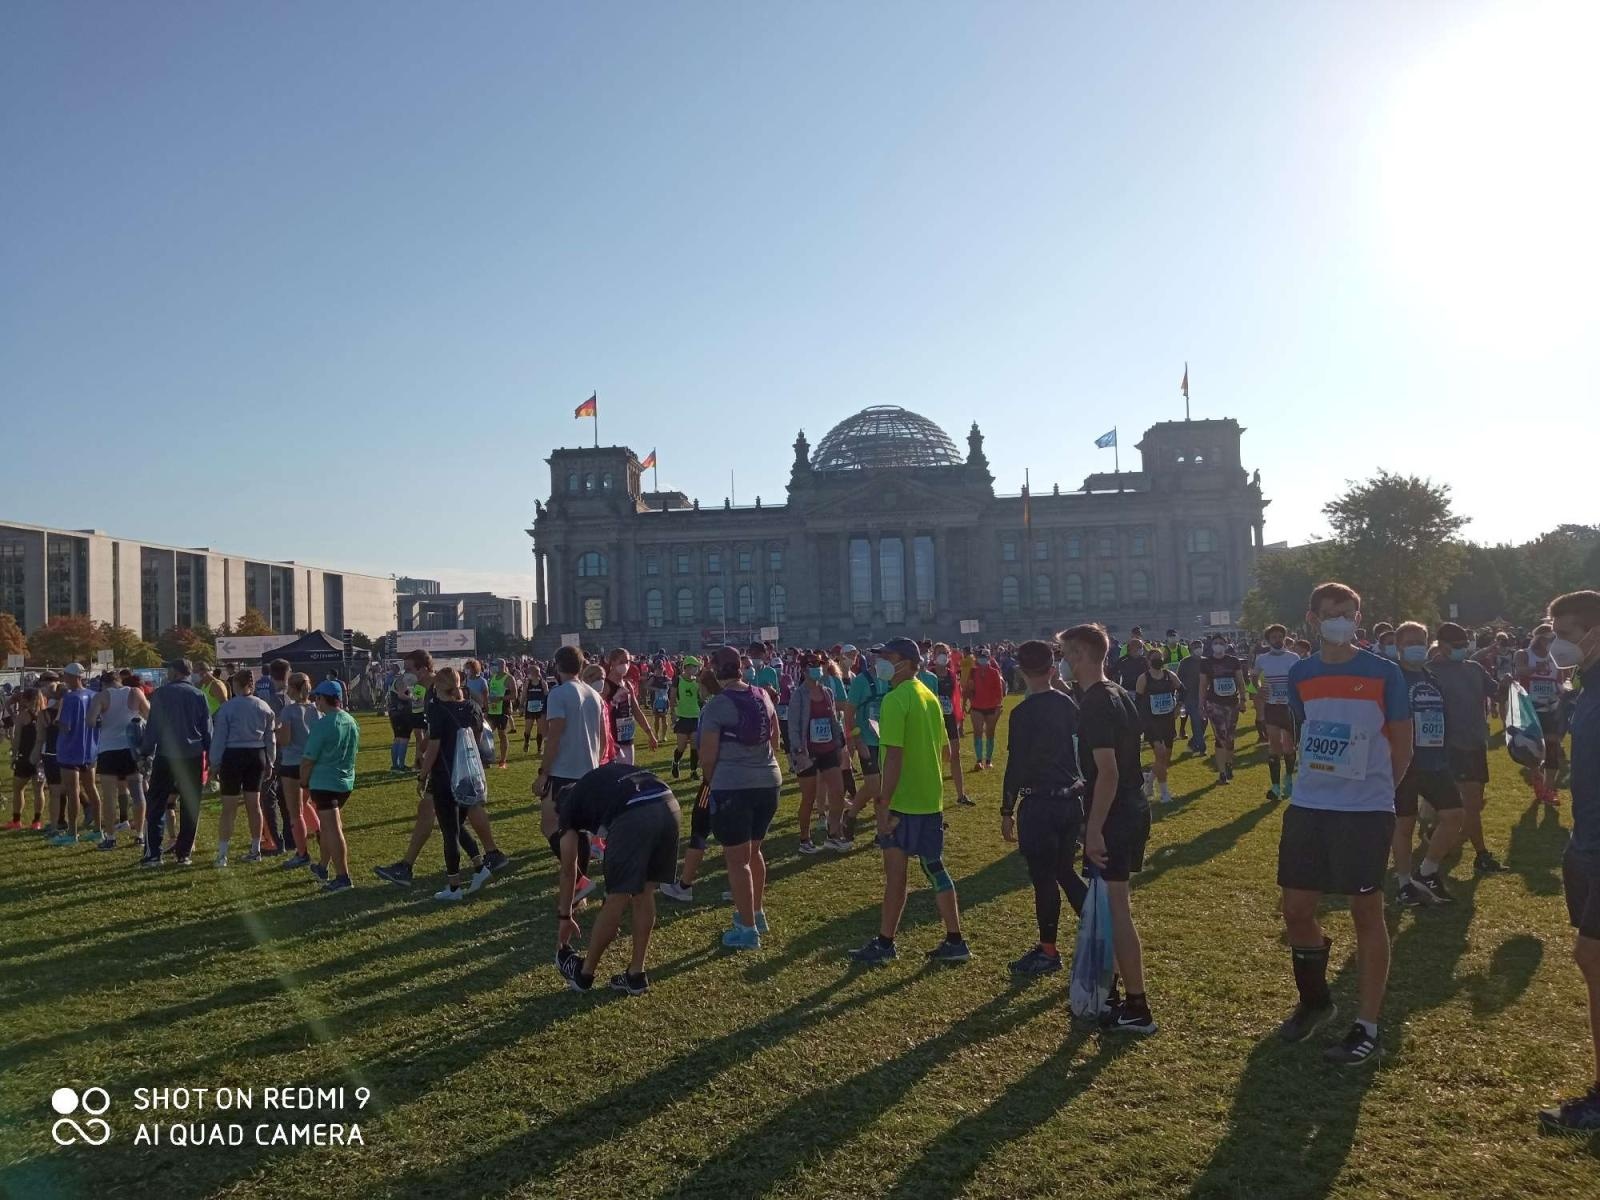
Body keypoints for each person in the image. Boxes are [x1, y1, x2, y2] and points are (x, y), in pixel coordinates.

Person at [1278, 582, 1410, 1066]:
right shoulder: (1300, 673)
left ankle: (1367, 1026)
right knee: (1295, 909)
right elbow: (1307, 728)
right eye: (1329, 612)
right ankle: (1316, 1002)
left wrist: (1379, 794)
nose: (1339, 619)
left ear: (1359, 616)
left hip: (1365, 811)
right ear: (1311, 619)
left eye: (1347, 612)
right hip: (1310, 805)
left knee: (1365, 914)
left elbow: (1402, 744)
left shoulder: (1384, 674)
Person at [848, 637, 970, 966]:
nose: (880, 664)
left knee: (896, 876)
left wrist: (884, 802)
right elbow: (945, 751)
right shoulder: (928, 696)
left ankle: (885, 943)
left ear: (905, 661)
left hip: (902, 802)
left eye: (887, 657)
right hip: (929, 799)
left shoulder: (895, 700)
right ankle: (955, 939)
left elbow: (894, 757)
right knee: (935, 868)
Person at [1059, 624, 1156, 1033]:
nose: (1062, 660)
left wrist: (1093, 829)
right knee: (1115, 906)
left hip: (1116, 815)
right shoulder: (1117, 692)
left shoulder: (1098, 701)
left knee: (1117, 911)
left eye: (1064, 653)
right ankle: (1114, 993)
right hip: (1131, 808)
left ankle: (1138, 1007)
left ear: (1081, 655)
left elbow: (1110, 773)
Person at [1538, 590, 1600, 1132]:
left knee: (1593, 955)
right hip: (1586, 838)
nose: (1560, 641)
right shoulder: (1585, 687)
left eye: (1572, 629)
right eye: (1554, 629)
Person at [554, 763, 681, 995]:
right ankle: (636, 974)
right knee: (644, 892)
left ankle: (584, 974)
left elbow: (568, 869)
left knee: (617, 898)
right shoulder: (598, 782)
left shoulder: (568, 808)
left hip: (634, 814)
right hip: (669, 805)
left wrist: (565, 915)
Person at [1001, 639, 1086, 975]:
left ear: (1021, 672)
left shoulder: (1022, 713)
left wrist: (1006, 809)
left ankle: (1048, 950)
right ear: (1053, 669)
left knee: (1044, 880)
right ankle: (1098, 930)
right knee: (1066, 870)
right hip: (1071, 798)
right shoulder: (1068, 704)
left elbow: (1016, 765)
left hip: (1039, 804)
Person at [698, 645, 784, 948]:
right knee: (754, 852)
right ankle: (756, 913)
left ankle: (747, 930)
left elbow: (708, 755)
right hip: (768, 780)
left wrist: (710, 781)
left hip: (734, 784)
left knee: (737, 861)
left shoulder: (716, 706)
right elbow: (775, 737)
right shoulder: (762, 695)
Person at [1388, 622, 1466, 907]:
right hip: (1404, 763)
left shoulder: (1431, 678)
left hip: (1435, 761)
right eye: (1410, 641)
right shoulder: (1392, 677)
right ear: (1398, 647)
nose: (1417, 646)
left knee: (1455, 815)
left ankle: (1428, 870)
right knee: (1404, 825)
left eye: (1421, 640)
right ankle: (1404, 883)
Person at [1429, 622, 1505, 874]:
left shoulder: (1474, 668)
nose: (1463, 649)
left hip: (1475, 744)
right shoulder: (1429, 672)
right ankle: (1476, 854)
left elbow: (1496, 692)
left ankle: (1455, 846)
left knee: (1471, 805)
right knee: (1462, 806)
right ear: (1441, 645)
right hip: (1448, 746)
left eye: (1465, 645)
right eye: (1457, 646)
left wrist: (1507, 685)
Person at [418, 666, 495, 901]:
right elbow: (478, 738)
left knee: (449, 832)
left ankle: (454, 886)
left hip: (445, 775)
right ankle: (480, 867)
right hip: (468, 775)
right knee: (456, 825)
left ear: (438, 687)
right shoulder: (471, 707)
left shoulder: (437, 710)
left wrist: (422, 775)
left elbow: (433, 748)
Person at [536, 645, 606, 902]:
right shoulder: (594, 694)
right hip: (588, 768)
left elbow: (554, 735)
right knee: (581, 830)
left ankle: (579, 880)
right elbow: (603, 739)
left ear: (557, 666)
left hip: (563, 770)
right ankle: (581, 887)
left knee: (550, 825)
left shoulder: (559, 694)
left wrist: (544, 772)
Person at [139, 659, 213, 867]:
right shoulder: (199, 694)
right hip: (193, 754)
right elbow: (207, 728)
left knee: (157, 803)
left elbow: (153, 726)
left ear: (174, 671)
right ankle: (184, 853)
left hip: (166, 754)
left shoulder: (161, 694)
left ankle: (154, 853)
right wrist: (211, 755)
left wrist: (145, 751)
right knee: (190, 805)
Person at [208, 669, 277, 866]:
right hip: (257, 756)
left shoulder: (227, 708)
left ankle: (222, 854)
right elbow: (269, 738)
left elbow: (219, 738)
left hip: (233, 756)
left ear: (235, 685)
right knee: (254, 805)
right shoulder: (264, 706)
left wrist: (215, 763)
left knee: (228, 808)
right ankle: (255, 849)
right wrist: (270, 762)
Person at [299, 680, 360, 891]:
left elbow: (308, 759)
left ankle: (343, 876)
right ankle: (323, 866)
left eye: (317, 697)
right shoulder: (350, 721)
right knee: (327, 828)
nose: (315, 701)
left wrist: (303, 781)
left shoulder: (324, 724)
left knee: (333, 830)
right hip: (345, 781)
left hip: (324, 783)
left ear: (323, 699)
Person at [788, 651, 848, 853]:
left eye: (820, 664)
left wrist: (839, 743)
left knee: (838, 792)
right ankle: (805, 838)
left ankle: (833, 834)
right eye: (813, 665)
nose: (818, 668)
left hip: (828, 749)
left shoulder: (827, 692)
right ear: (805, 670)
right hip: (807, 752)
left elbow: (833, 720)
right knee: (809, 797)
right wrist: (798, 751)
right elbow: (794, 726)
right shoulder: (799, 695)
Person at [87, 669, 149, 851]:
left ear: (103, 683)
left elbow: (90, 721)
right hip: (131, 748)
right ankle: (140, 835)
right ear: (120, 680)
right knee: (138, 793)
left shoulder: (101, 696)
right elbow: (149, 714)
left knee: (109, 796)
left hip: (108, 750)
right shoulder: (135, 692)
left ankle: (111, 837)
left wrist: (102, 720)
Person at [274, 672, 322, 869]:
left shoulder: (289, 711)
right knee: (306, 802)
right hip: (312, 762)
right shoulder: (317, 710)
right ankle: (320, 832)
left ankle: (302, 853)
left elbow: (285, 740)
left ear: (292, 689)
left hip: (292, 763)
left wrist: (275, 731)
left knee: (295, 812)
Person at [1517, 625, 1569, 806]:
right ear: (1538, 638)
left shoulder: (1556, 658)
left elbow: (1560, 681)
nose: (1552, 642)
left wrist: (1563, 692)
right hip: (1530, 707)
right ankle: (1537, 779)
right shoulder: (1524, 653)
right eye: (1549, 638)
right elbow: (1520, 671)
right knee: (1533, 751)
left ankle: (1549, 789)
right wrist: (1536, 667)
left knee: (1553, 745)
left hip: (1551, 707)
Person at [54, 663, 100, 844]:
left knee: (73, 791)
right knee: (92, 788)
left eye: (65, 676)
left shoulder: (71, 698)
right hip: (90, 749)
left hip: (70, 750)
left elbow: (66, 725)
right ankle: (98, 829)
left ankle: (72, 833)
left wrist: (55, 722)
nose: (64, 680)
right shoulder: (93, 695)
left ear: (73, 677)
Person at [1255, 625, 1302, 801]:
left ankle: (1288, 779)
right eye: (1273, 637)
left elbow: (1300, 679)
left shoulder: (1294, 657)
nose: (1277, 640)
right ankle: (1274, 787)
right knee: (1274, 745)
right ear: (1268, 641)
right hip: (1272, 707)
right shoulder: (1262, 659)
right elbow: (1253, 677)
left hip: (1289, 708)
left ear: (1284, 638)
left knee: (1288, 746)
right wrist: (1259, 689)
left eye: (1280, 636)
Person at [921, 642, 971, 806]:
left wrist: (960, 720)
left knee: (955, 755)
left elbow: (956, 699)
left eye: (945, 652)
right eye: (939, 653)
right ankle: (932, 797)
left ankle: (961, 794)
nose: (942, 655)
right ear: (933, 656)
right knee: (935, 758)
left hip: (948, 719)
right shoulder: (928, 675)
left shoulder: (951, 675)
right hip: (933, 720)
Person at [1134, 646, 1180, 804]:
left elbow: (1183, 690)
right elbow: (1138, 701)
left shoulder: (1169, 675)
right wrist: (1141, 722)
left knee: (1165, 759)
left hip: (1167, 720)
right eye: (1154, 658)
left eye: (1160, 657)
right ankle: (1164, 793)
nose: (1158, 661)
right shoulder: (1144, 678)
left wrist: (1178, 707)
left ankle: (1149, 778)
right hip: (1151, 722)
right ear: (1148, 661)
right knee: (1160, 754)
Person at [1198, 636, 1247, 783]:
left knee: (1230, 737)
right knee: (1220, 736)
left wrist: (1243, 699)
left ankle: (1229, 764)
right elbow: (1202, 685)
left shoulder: (1233, 661)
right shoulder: (1206, 662)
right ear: (1211, 646)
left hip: (1232, 703)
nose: (1218, 646)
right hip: (1214, 703)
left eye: (1221, 643)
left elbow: (1240, 681)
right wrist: (1201, 704)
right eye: (1215, 643)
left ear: (1226, 645)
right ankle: (1222, 773)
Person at [603, 648, 658, 765]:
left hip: (628, 738)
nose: (625, 665)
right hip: (613, 741)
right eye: (621, 662)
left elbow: (637, 710)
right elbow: (599, 713)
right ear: (612, 662)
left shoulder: (628, 684)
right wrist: (613, 700)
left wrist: (650, 734)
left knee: (628, 776)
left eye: (627, 661)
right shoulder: (606, 686)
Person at [8, 688, 44, 830]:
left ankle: (16, 820)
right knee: (38, 790)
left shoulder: (22, 716)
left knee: (18, 789)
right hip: (40, 758)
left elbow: (17, 739)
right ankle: (37, 821)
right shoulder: (44, 714)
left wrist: (13, 755)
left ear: (27, 700)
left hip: (25, 757)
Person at [967, 646, 1005, 770]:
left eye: (985, 657)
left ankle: (988, 760)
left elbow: (999, 691)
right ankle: (979, 760)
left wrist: (997, 705)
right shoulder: (973, 672)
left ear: (989, 658)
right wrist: (971, 700)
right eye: (980, 657)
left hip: (992, 707)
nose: (983, 660)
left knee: (990, 732)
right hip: (977, 706)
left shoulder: (994, 672)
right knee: (977, 732)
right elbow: (970, 689)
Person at [670, 655, 703, 779]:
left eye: (697, 667)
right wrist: (672, 713)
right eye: (694, 666)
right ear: (687, 667)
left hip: (695, 715)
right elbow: (672, 698)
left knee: (695, 746)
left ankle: (693, 771)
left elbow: (701, 697)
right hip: (682, 716)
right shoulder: (678, 680)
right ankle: (675, 763)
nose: (696, 669)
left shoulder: (697, 681)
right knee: (681, 746)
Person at [1177, 641, 1206, 756]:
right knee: (1196, 721)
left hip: (1203, 695)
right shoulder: (1185, 662)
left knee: (1204, 722)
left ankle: (1193, 743)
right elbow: (1179, 679)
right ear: (1190, 649)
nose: (1198, 649)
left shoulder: (1205, 661)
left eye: (1200, 646)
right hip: (1190, 696)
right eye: (1195, 647)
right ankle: (1202, 747)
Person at [485, 659, 515, 768]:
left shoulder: (509, 678)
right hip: (492, 710)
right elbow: (489, 692)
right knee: (487, 734)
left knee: (502, 734)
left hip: (502, 710)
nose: (493, 667)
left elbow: (514, 695)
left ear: (502, 665)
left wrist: (500, 698)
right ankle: (488, 758)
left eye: (495, 665)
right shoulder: (492, 677)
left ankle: (503, 760)